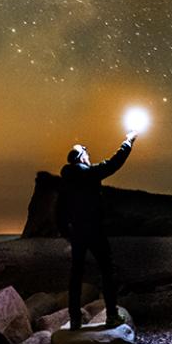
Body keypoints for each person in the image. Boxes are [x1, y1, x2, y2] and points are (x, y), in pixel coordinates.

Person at [57, 131, 137, 330]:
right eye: (86, 152)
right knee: (107, 271)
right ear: (81, 157)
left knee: (76, 275)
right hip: (94, 230)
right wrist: (128, 142)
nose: (88, 154)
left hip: (77, 233)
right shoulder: (88, 173)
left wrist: (68, 234)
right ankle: (112, 316)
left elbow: (59, 211)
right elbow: (112, 164)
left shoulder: (65, 182)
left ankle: (75, 319)